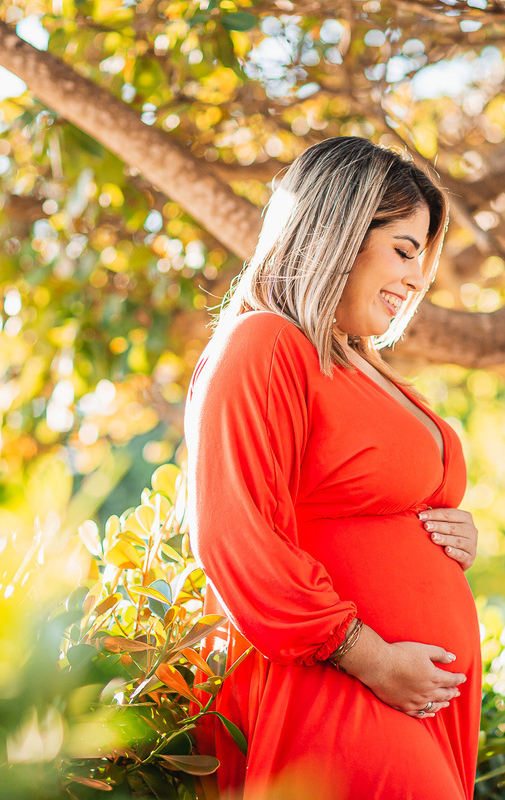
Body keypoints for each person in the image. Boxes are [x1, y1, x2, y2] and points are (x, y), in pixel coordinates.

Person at [183, 136, 481, 800]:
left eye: (422, 261)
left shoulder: (361, 363)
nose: (414, 280)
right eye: (404, 251)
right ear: (339, 231)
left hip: (411, 693)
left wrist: (456, 534)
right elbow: (235, 534)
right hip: (332, 685)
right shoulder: (265, 343)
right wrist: (370, 659)